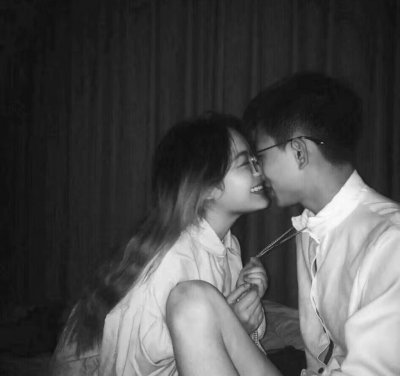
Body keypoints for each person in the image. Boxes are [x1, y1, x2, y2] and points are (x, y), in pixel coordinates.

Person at [50, 112, 282, 376]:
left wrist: (245, 300)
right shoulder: (171, 262)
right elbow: (131, 369)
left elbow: (234, 340)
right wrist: (231, 325)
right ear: (208, 187)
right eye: (244, 163)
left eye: (254, 160)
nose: (259, 169)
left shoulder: (228, 245)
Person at [242, 72, 400, 375]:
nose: (257, 172)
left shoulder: (389, 243)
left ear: (299, 152)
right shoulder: (310, 227)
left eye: (259, 157)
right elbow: (319, 355)